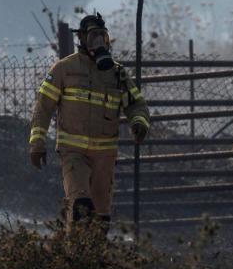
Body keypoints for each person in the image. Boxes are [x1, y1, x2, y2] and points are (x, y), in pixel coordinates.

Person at [27, 12, 150, 232]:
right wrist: (37, 144)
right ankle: (74, 251)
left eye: (102, 35)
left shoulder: (117, 73)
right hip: (74, 153)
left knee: (100, 219)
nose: (98, 41)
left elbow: (136, 104)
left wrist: (139, 123)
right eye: (93, 35)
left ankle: (89, 253)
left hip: (105, 156)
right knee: (81, 207)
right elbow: (43, 107)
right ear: (81, 38)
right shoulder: (64, 69)